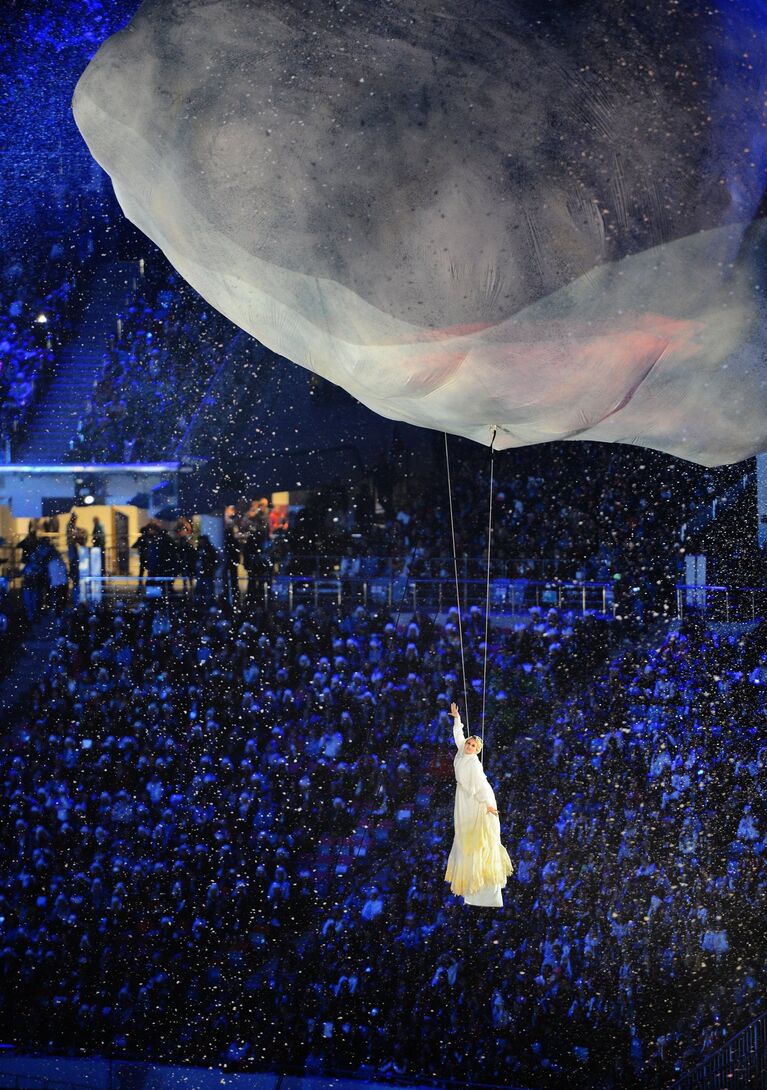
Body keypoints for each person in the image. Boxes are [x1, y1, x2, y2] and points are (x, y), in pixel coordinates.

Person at [445, 702, 513, 908]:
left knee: (477, 838)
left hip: (477, 800)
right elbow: (458, 735)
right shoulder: (460, 752)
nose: (469, 747)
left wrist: (488, 805)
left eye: (473, 746)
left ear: (477, 750)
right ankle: (473, 888)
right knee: (464, 836)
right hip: (464, 798)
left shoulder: (474, 763)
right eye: (469, 744)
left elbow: (482, 785)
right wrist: (457, 718)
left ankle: (484, 887)